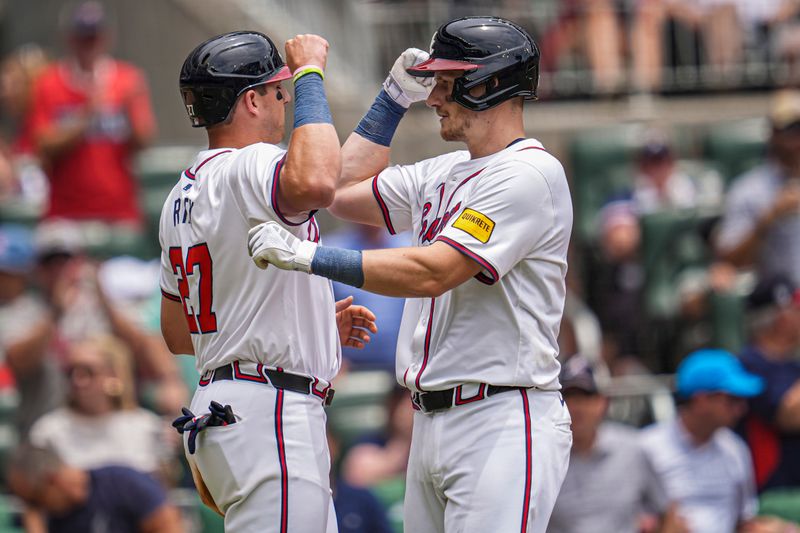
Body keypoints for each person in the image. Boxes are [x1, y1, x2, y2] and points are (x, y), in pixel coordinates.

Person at [248, 16, 573, 532]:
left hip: (502, 417)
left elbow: (433, 271)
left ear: (487, 82)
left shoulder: (531, 173)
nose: (435, 96)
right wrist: (392, 98)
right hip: (429, 419)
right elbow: (333, 189)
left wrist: (310, 258)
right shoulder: (443, 171)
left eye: (446, 82)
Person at [160, 31, 376, 532]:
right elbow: (320, 181)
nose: (284, 102)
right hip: (271, 412)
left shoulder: (180, 193)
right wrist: (309, 75)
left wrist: (300, 325)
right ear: (251, 99)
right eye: (279, 92)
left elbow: (178, 332)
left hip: (233, 406)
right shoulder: (250, 164)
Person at [28, 1, 156, 225]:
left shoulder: (126, 80)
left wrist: (129, 109)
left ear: (106, 37)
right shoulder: (49, 83)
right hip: (65, 213)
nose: (89, 44)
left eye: (95, 36)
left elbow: (144, 140)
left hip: (118, 210)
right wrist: (86, 114)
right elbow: (43, 145)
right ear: (70, 38)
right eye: (83, 37)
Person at [549, 354, 682, 533]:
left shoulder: (631, 450)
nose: (577, 406)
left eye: (586, 396)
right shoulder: (543, 455)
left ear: (603, 402)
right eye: (569, 397)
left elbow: (669, 513)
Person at [640, 349, 764, 533]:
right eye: (733, 399)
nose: (741, 408)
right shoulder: (647, 447)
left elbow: (744, 520)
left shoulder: (735, 448)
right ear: (701, 400)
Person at [28, 335, 174, 476]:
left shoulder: (146, 427)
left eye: (87, 372)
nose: (77, 380)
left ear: (113, 375)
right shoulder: (48, 431)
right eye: (71, 371)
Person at [715, 89, 800, 286]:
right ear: (772, 134)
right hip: (776, 298)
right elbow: (729, 261)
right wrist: (769, 219)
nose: (797, 139)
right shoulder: (749, 190)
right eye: (790, 130)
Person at [7, 444, 183, 533]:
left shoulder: (123, 483)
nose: (34, 509)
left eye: (34, 501)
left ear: (52, 481)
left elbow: (169, 526)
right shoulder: (49, 519)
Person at [738, 275, 800, 491]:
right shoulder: (748, 363)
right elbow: (790, 416)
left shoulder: (793, 365)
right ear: (780, 319)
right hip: (772, 491)